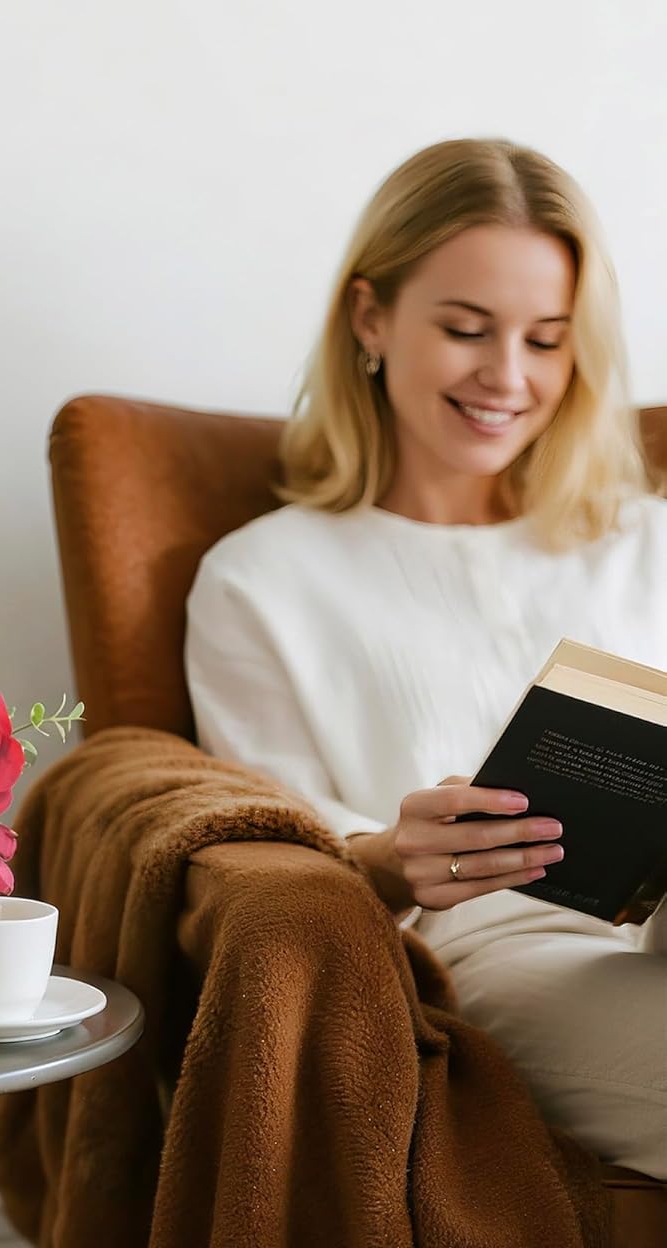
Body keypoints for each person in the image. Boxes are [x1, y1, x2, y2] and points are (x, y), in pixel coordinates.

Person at [184, 138, 666, 1178]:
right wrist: (383, 859)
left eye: (547, 340)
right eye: (465, 329)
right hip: (495, 953)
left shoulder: (645, 537)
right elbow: (274, 851)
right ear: (370, 318)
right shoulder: (264, 578)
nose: (508, 377)